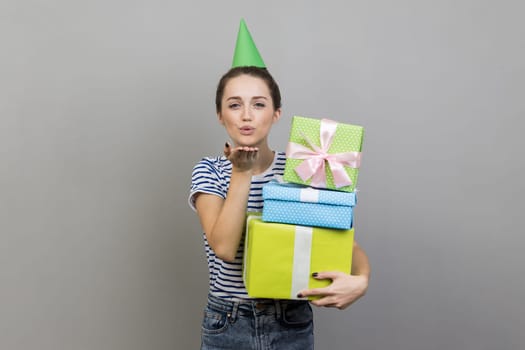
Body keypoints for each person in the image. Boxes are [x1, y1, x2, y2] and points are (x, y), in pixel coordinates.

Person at [188, 20, 370, 350]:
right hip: (228, 322)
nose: (246, 115)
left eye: (258, 104)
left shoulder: (304, 166)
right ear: (220, 115)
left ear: (276, 113)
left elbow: (343, 238)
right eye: (234, 104)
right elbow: (226, 249)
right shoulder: (210, 172)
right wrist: (241, 174)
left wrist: (361, 280)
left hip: (290, 320)